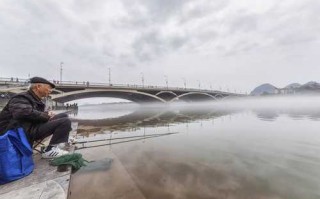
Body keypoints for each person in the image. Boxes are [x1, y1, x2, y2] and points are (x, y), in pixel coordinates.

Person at [0, 76, 71, 159]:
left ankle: (60, 143)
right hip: (17, 133)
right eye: (49, 88)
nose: (51, 91)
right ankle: (50, 150)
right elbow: (22, 113)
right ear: (38, 87)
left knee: (63, 116)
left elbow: (30, 112)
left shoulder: (33, 98)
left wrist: (46, 113)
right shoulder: (21, 97)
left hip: (28, 127)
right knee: (65, 121)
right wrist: (46, 116)